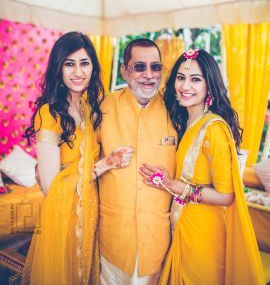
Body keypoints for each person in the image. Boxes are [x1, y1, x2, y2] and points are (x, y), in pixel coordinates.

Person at [140, 48, 264, 285]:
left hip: (202, 233)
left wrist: (174, 186)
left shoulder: (214, 129)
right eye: (181, 77)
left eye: (196, 79)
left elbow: (226, 196)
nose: (185, 86)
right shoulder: (186, 121)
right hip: (182, 225)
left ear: (210, 85)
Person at [22, 32, 133, 285]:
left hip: (89, 208)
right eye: (69, 64)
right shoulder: (49, 113)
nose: (78, 72)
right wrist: (107, 164)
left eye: (84, 63)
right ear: (58, 68)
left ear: (93, 66)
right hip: (63, 214)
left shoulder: (86, 106)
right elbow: (52, 186)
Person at [98, 38, 177, 284]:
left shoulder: (176, 110)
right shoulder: (103, 107)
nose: (149, 75)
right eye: (139, 67)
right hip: (113, 239)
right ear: (125, 71)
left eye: (155, 67)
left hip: (156, 241)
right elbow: (81, 155)